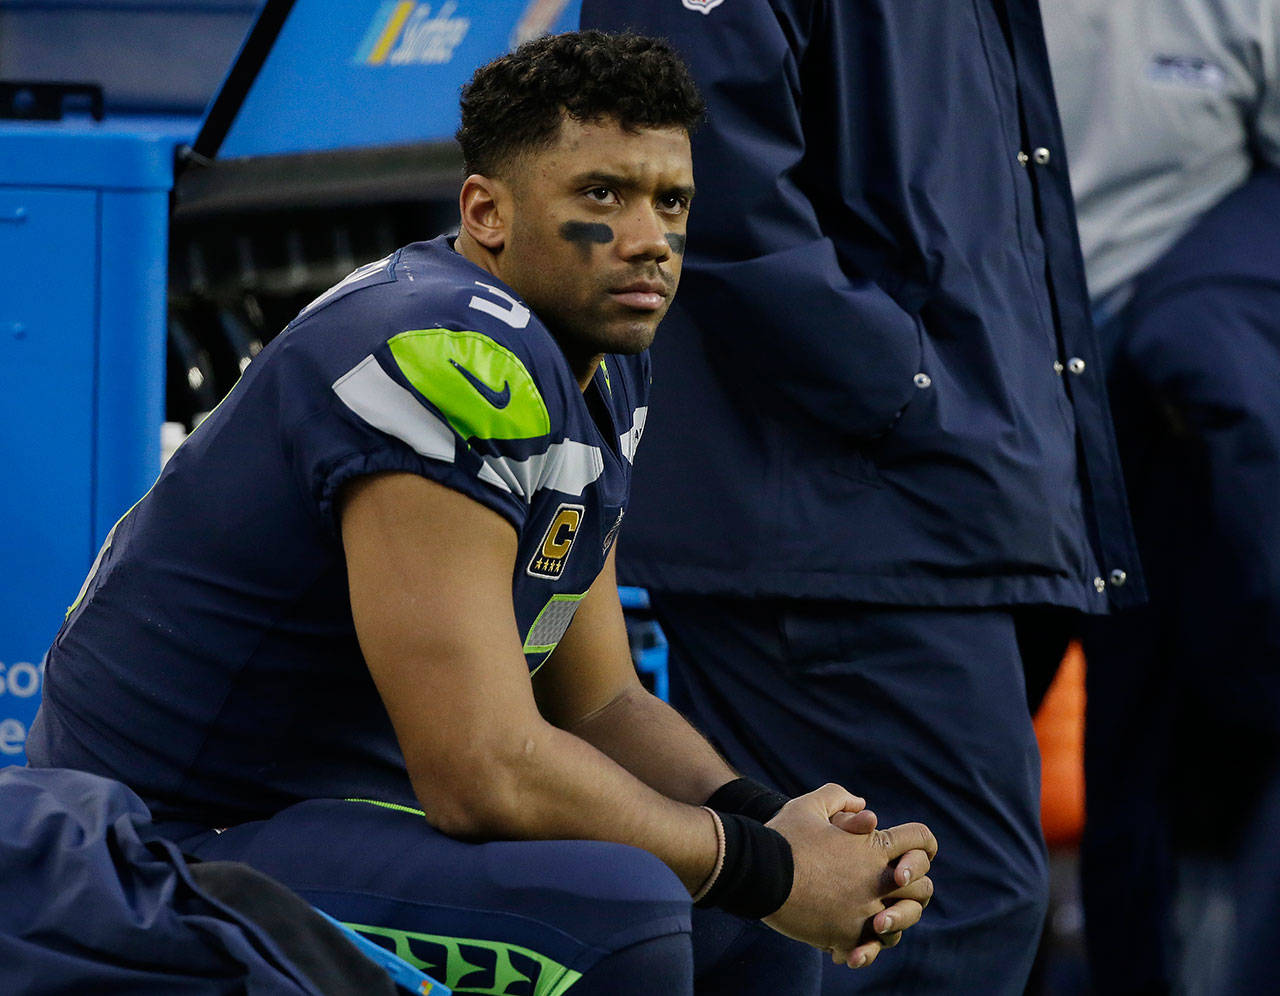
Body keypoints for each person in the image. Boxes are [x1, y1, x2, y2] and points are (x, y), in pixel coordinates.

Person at [25, 31, 938, 995]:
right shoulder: (449, 352)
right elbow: (481, 771)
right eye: (600, 196)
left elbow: (597, 700)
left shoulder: (602, 350)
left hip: (323, 819)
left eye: (669, 201)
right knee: (626, 913)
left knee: (753, 925)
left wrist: (773, 827)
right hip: (156, 851)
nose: (647, 239)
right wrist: (767, 867)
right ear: (486, 211)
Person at [577, 3, 1144, 994]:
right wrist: (905, 389)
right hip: (840, 505)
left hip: (926, 491)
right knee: (939, 911)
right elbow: (688, 170)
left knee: (826, 930)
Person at [1040, 5, 1280, 992]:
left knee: (1150, 768)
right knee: (943, 774)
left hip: (1169, 428)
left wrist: (1201, 336)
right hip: (971, 413)